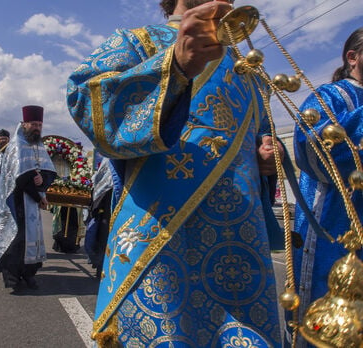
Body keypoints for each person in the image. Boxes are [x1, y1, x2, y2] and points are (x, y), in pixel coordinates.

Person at [66, 0, 285, 346]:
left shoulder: (246, 65)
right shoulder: (137, 41)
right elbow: (84, 98)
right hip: (163, 240)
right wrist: (176, 65)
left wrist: (267, 157)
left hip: (242, 242)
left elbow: (259, 136)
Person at [289, 27, 363, 347]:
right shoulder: (330, 96)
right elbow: (311, 149)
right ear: (353, 57)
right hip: (333, 228)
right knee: (325, 331)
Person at [0, 105, 56, 291]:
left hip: (32, 202)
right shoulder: (15, 146)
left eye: (40, 124)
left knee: (31, 239)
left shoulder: (38, 145)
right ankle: (12, 279)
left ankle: (28, 274)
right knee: (16, 239)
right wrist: (38, 195)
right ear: (24, 124)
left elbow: (47, 171)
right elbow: (20, 178)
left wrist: (42, 180)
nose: (37, 127)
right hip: (16, 201)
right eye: (33, 123)